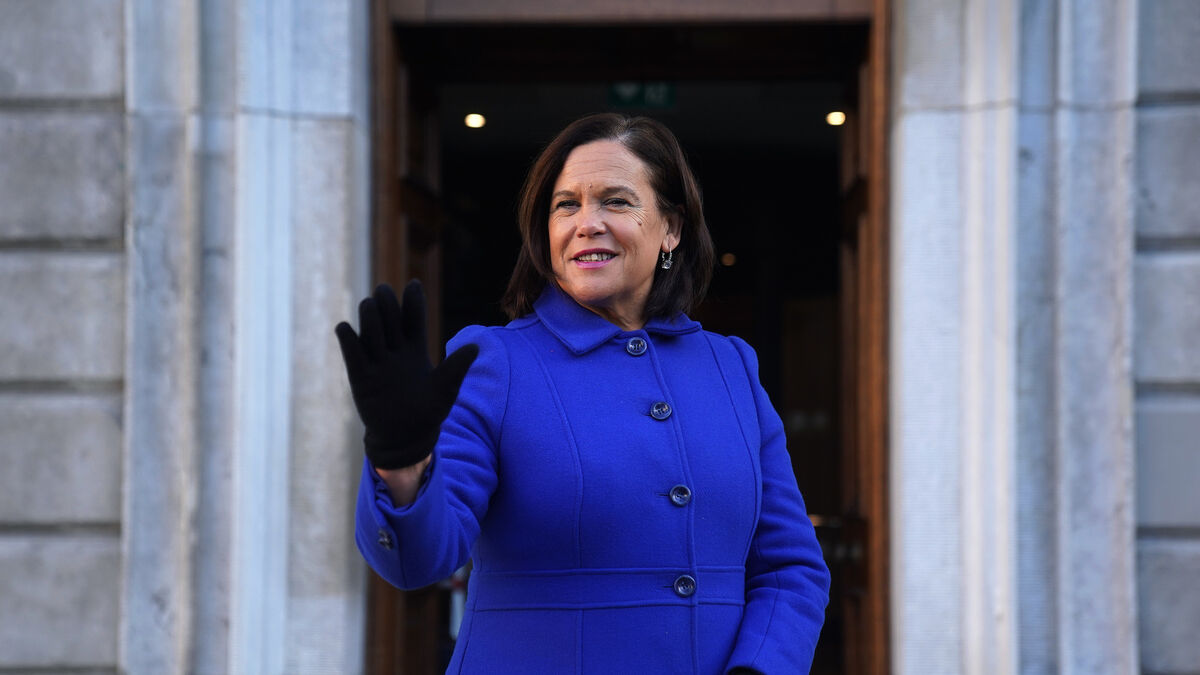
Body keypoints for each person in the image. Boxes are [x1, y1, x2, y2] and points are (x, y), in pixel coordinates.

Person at [336, 113, 830, 673]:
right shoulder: (492, 363)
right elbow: (419, 560)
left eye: (616, 202)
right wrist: (401, 462)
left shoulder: (730, 366)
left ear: (671, 229)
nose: (586, 223)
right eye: (566, 205)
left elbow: (790, 569)